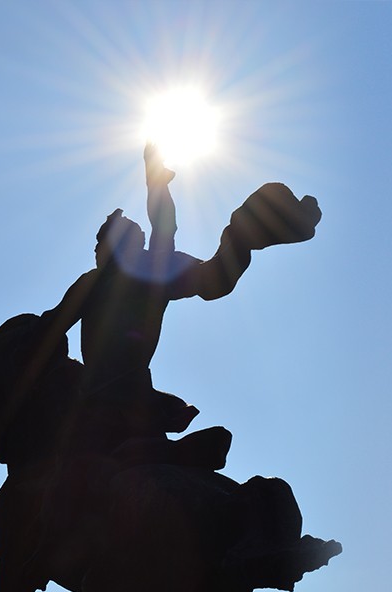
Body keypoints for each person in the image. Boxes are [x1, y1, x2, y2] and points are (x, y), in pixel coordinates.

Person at [39, 144, 321, 456]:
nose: (97, 252)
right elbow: (166, 228)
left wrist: (156, 183)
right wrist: (156, 183)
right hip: (126, 393)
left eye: (102, 243)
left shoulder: (117, 276)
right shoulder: (144, 270)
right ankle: (246, 233)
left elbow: (50, 330)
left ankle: (247, 233)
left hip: (106, 395)